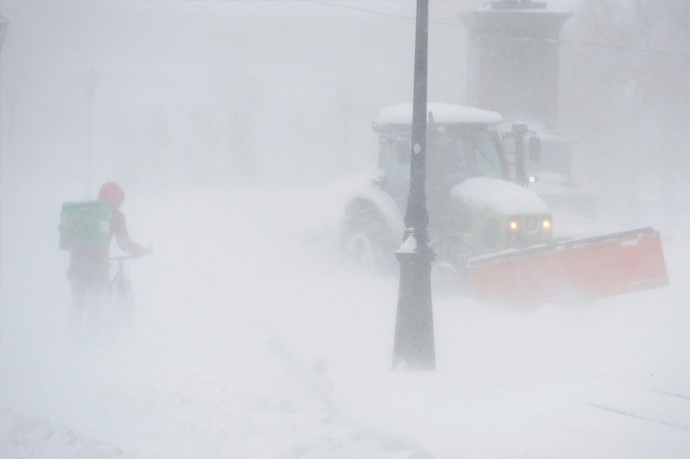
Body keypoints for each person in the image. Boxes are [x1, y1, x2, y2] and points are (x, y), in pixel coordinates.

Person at [67, 182, 151, 330]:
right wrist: (143, 251)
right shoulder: (116, 216)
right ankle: (95, 338)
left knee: (77, 304)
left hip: (76, 264)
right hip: (98, 266)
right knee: (96, 301)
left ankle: (73, 337)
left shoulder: (84, 210)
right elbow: (125, 244)